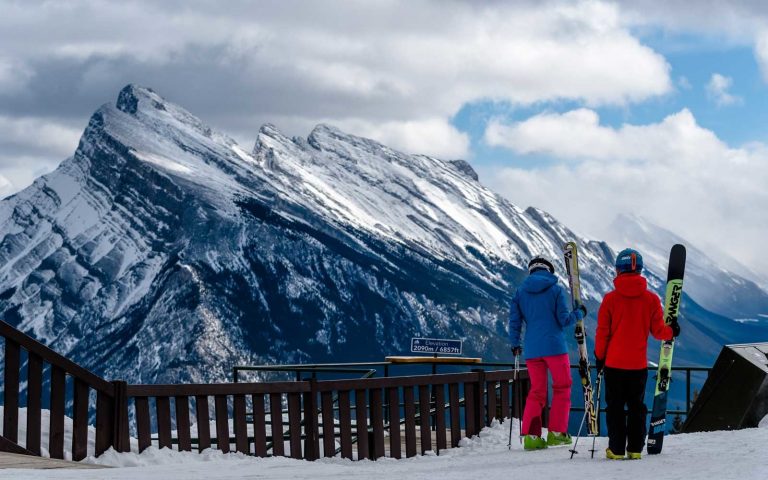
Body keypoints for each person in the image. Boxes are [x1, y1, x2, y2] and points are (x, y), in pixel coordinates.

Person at [594, 248, 681, 460]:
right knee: (637, 407)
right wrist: (673, 330)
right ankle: (634, 449)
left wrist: (599, 358)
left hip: (614, 365)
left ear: (618, 270)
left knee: (614, 408)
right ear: (640, 270)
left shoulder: (610, 299)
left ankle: (615, 449)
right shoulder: (651, 300)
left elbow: (602, 333)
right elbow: (659, 331)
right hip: (638, 366)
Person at [509, 255, 586, 450]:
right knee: (562, 387)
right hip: (555, 348)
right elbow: (563, 320)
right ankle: (557, 433)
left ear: (531, 270)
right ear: (548, 270)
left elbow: (515, 322)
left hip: (532, 351)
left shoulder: (520, 293)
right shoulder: (555, 290)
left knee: (537, 391)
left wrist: (515, 344)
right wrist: (579, 313)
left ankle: (531, 437)